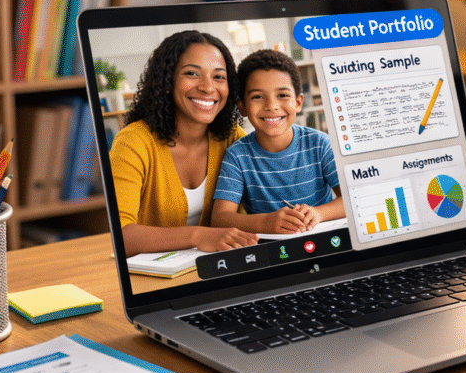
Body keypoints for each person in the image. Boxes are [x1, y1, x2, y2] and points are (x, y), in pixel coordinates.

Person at [110, 30, 258, 257]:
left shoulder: (232, 138)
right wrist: (198, 236)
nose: (208, 88)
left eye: (219, 76)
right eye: (192, 73)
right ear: (167, 80)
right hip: (150, 281)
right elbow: (119, 235)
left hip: (216, 271)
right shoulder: (133, 143)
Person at [211, 49, 344, 234]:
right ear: (242, 107)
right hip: (271, 251)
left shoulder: (320, 144)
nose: (271, 106)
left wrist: (318, 213)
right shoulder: (237, 156)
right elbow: (220, 219)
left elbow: (351, 198)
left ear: (297, 103)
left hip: (324, 240)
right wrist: (266, 222)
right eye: (258, 96)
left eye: (282, 95)